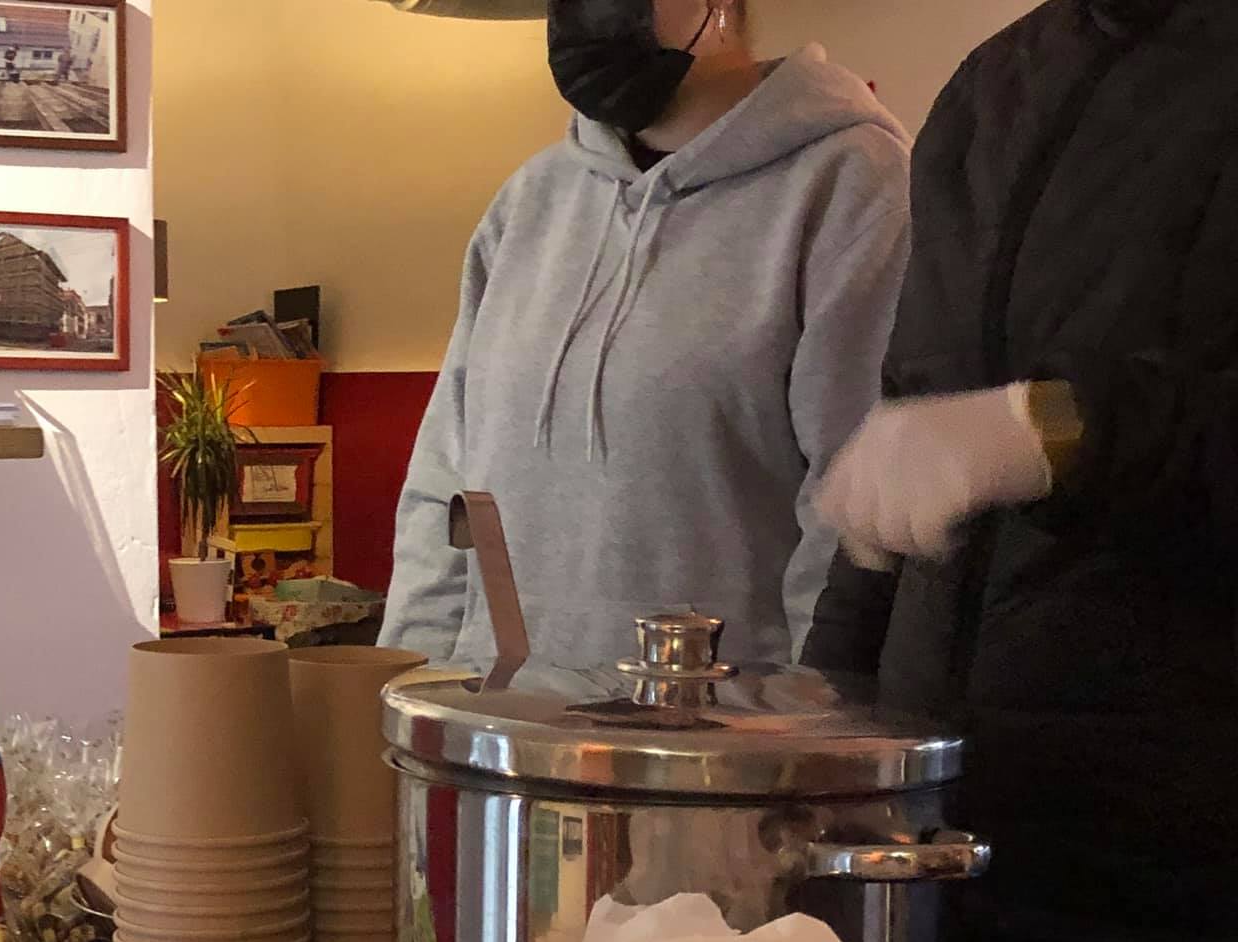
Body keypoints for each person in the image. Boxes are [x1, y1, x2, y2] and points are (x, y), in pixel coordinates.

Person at [805, 0, 1238, 942]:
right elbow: (912, 422)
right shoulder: (997, 83)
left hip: (1182, 894)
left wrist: (1058, 433)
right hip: (952, 855)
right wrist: (822, 716)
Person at [380, 0, 911, 671]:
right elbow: (445, 485)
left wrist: (811, 717)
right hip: (502, 724)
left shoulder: (852, 184)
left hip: (719, 725)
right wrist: (409, 690)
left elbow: (850, 510)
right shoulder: (530, 202)